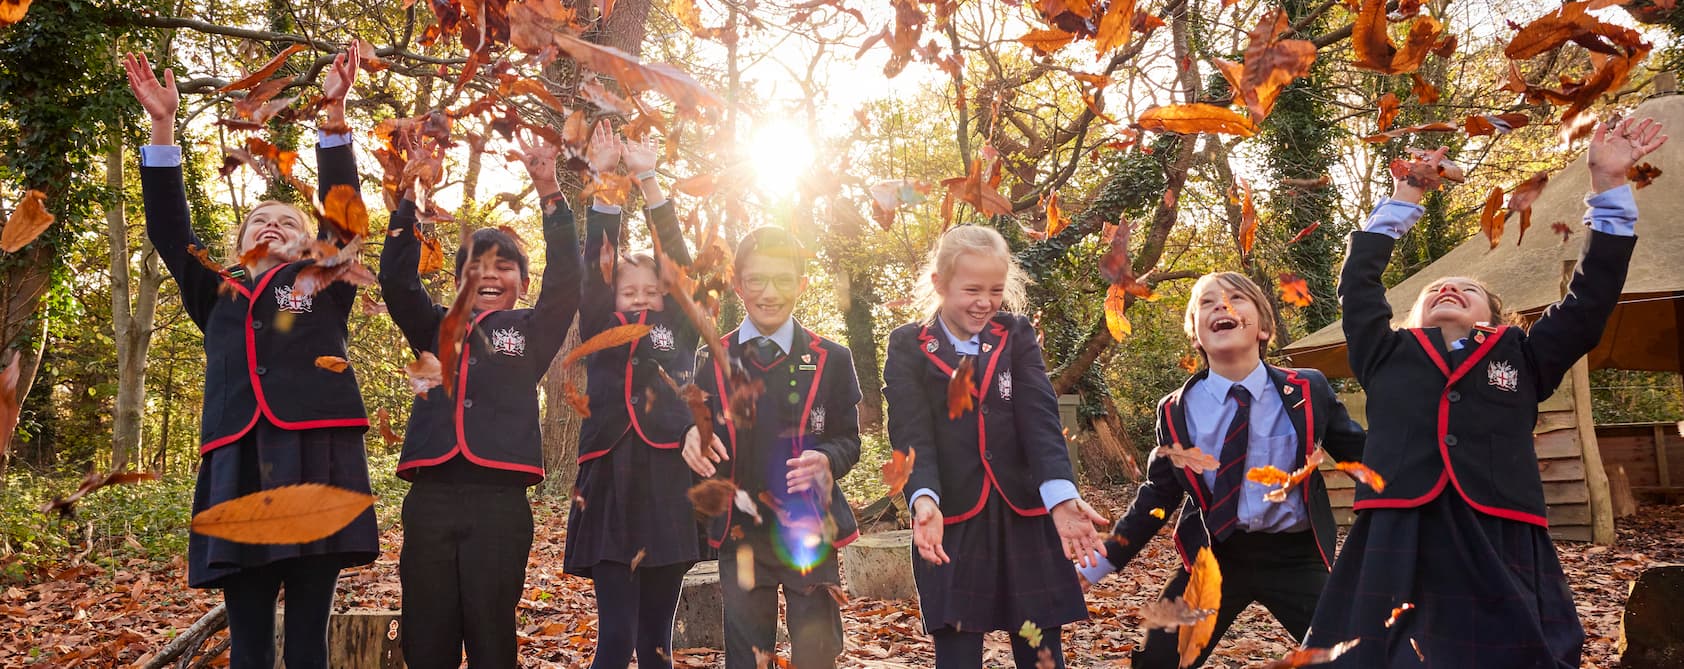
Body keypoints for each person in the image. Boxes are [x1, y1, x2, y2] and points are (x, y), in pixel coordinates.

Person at [1305, 118, 1667, 667]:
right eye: (1436, 289)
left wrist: (1609, 184)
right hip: (1397, 527)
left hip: (1498, 528)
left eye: (1467, 289)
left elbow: (1590, 301)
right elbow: (1358, 282)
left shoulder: (1525, 355)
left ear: (1494, 320)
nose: (1450, 287)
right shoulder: (1384, 352)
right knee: (1368, 656)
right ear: (1412, 318)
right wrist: (1408, 194)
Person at [126, 46, 378, 669]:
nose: (269, 225)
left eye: (285, 221)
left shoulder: (325, 280)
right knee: (250, 646)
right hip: (237, 461)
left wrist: (334, 114)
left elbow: (345, 219)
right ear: (238, 243)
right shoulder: (214, 290)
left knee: (308, 642)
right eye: (257, 221)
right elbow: (169, 230)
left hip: (316, 455)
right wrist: (163, 124)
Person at [1077, 270, 1365, 668]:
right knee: (1159, 660)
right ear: (1196, 336)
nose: (1221, 306)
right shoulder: (1176, 410)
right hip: (1215, 553)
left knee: (1356, 654)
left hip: (1295, 556)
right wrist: (1099, 563)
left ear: (1264, 328)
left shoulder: (1306, 390)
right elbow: (1157, 496)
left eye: (1236, 298)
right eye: (1207, 303)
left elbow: (1365, 457)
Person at [376, 123, 581, 667]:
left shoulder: (532, 331)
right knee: (427, 637)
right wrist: (411, 197)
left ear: (523, 283)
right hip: (431, 499)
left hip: (500, 503)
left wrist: (550, 192)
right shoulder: (434, 326)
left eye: (503, 267)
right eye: (475, 267)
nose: (489, 275)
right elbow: (396, 283)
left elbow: (568, 282)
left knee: (492, 636)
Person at [883, 225, 1110, 668]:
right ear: (940, 283)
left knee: (1038, 643)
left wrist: (1061, 496)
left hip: (1024, 512)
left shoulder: (1016, 334)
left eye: (995, 290)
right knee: (958, 647)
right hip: (952, 519)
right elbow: (910, 431)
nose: (984, 302)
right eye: (971, 290)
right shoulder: (909, 345)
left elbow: (1040, 418)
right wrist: (923, 499)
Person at [681, 226, 861, 669]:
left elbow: (849, 440)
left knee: (817, 653)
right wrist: (690, 435)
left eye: (783, 279)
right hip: (740, 532)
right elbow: (693, 426)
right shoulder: (711, 359)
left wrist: (828, 459)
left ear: (802, 284)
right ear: (738, 285)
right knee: (747, 656)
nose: (769, 292)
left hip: (812, 530)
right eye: (757, 280)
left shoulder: (832, 358)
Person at [563, 124, 704, 669]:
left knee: (656, 646)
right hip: (609, 483)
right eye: (630, 292)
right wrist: (604, 183)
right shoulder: (601, 323)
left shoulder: (680, 328)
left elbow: (681, 267)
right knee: (615, 641)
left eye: (652, 292)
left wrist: (648, 179)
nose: (642, 299)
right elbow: (597, 267)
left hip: (669, 482)